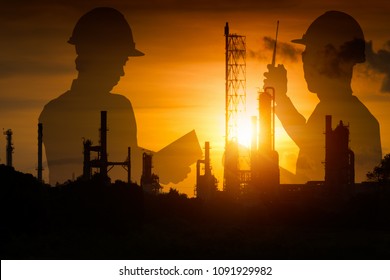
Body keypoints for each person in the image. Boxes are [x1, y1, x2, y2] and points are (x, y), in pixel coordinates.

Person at [264, 10, 382, 183]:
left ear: (334, 59)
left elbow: (309, 143)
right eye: (305, 55)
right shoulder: (334, 108)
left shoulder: (354, 118)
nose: (305, 62)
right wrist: (281, 97)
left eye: (311, 54)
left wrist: (281, 98)